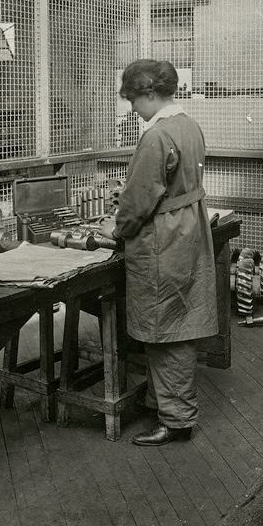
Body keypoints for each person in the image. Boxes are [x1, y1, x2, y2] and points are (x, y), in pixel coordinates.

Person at [97, 59, 217, 447]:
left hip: (163, 240)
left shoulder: (156, 136)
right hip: (188, 230)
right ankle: (163, 403)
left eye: (133, 100)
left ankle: (177, 420)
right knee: (177, 320)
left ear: (150, 94)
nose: (132, 108)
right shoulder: (189, 125)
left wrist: (117, 230)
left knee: (165, 329)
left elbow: (138, 202)